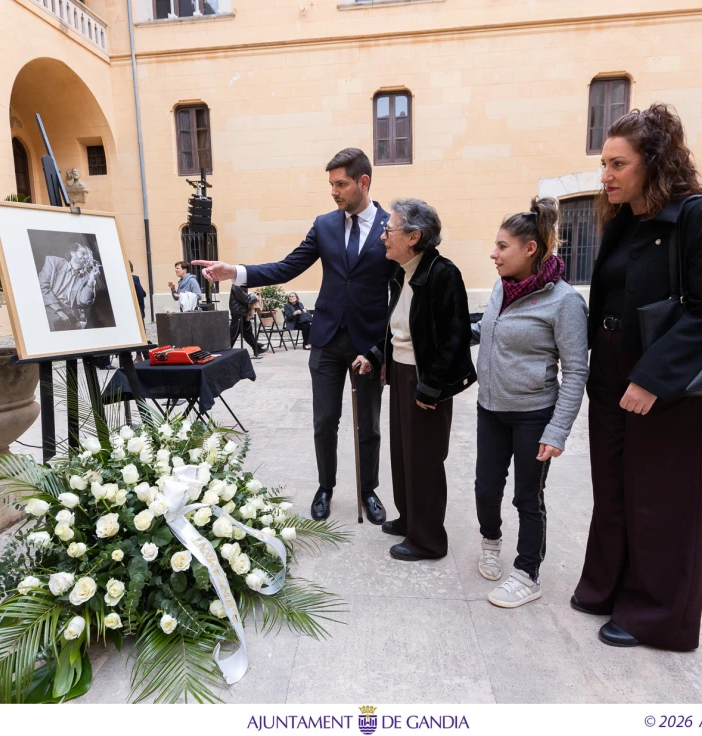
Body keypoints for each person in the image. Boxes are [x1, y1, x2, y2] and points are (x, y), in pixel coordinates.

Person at [573, 103, 702, 651]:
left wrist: (652, 377)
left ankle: (655, 615)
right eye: (604, 163)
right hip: (611, 377)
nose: (606, 176)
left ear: (654, 160)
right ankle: (608, 586)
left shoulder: (700, 216)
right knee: (615, 490)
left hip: (668, 385)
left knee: (662, 499)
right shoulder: (623, 219)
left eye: (617, 164)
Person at [194, 148, 391, 524]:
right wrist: (234, 271)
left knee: (369, 424)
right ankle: (325, 487)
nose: (333, 191)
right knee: (324, 421)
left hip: (368, 343)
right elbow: (288, 266)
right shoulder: (325, 225)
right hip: (328, 340)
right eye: (331, 184)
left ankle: (369, 489)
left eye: (341, 184)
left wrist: (385, 349)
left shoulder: (389, 226)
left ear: (363, 182)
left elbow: (398, 290)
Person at [471, 197, 588, 608]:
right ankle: (490, 542)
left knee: (527, 497)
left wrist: (557, 430)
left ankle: (527, 572)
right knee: (486, 488)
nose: (494, 253)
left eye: (502, 246)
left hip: (533, 416)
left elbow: (576, 371)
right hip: (490, 409)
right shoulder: (501, 288)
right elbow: (491, 334)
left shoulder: (565, 302)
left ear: (530, 249)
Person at [355, 199, 475, 561]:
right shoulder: (403, 272)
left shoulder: (443, 273)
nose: (382, 237)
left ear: (414, 236)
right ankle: (410, 519)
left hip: (425, 381)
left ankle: (428, 540)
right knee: (404, 453)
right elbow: (398, 329)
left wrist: (432, 387)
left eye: (388, 230)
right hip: (402, 373)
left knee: (424, 458)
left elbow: (455, 336)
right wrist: (375, 355)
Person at [38, 243, 101, 331]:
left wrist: (92, 279)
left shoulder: (86, 276)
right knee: (55, 322)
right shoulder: (53, 262)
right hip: (50, 304)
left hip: (70, 311)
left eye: (89, 256)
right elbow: (41, 287)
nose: (86, 257)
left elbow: (84, 303)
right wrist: (58, 310)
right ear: (72, 253)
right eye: (83, 253)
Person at [228, 282, 262, 359]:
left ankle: (256, 348)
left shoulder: (241, 285)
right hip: (238, 312)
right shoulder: (237, 285)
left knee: (247, 331)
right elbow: (246, 298)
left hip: (242, 312)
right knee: (234, 332)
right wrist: (255, 298)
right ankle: (226, 350)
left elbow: (245, 297)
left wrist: (252, 295)